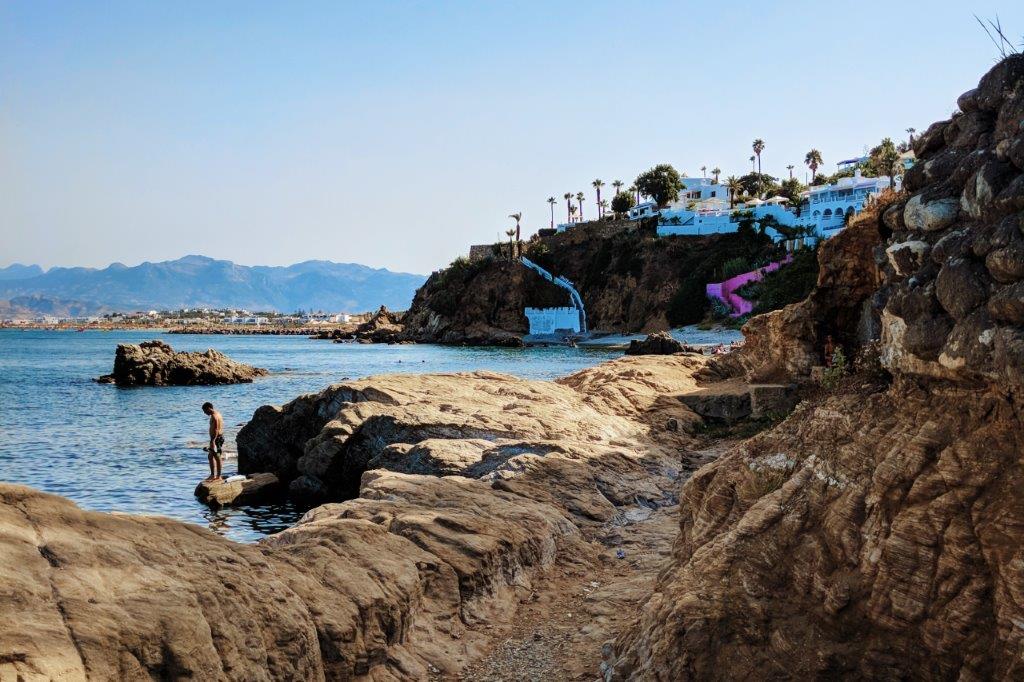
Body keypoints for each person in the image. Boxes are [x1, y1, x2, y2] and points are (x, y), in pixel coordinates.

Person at [202, 402, 224, 482]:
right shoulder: (217, 414)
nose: (204, 413)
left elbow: (216, 429)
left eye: (205, 411)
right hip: (217, 438)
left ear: (209, 408)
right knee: (211, 456)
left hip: (216, 439)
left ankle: (218, 476)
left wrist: (213, 441)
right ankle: (213, 475)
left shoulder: (214, 416)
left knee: (217, 457)